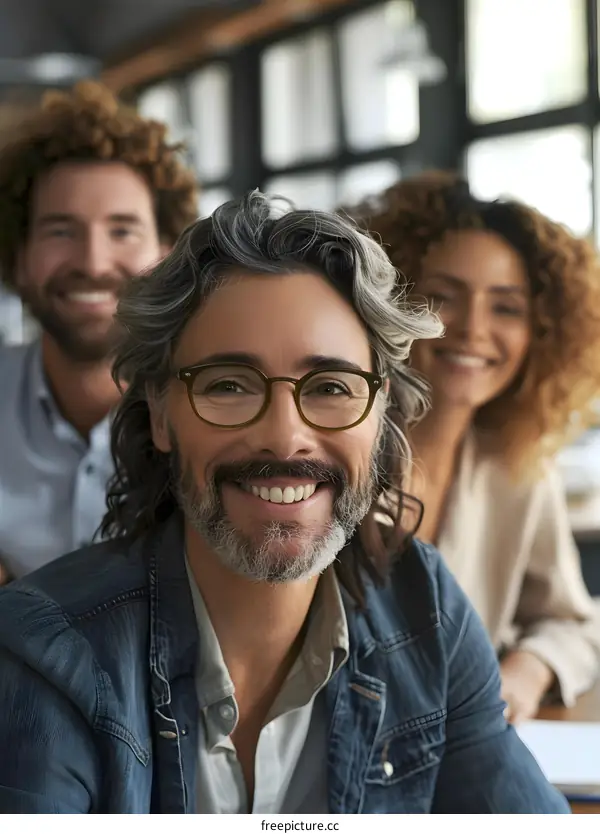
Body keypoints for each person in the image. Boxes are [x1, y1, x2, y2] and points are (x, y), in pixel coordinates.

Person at [0, 192, 568, 813]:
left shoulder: (425, 610)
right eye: (228, 386)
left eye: (330, 387)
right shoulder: (46, 654)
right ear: (161, 414)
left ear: (380, 415)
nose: (283, 434)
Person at [352, 171, 600, 724]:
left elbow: (575, 621)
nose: (472, 330)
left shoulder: (516, 467)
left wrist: (527, 671)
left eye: (506, 307)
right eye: (442, 297)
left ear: (541, 332)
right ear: (389, 304)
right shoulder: (333, 455)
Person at [0, 80, 198, 581]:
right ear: (18, 257)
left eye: (122, 230)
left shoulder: (216, 412)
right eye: (60, 230)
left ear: (167, 255)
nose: (92, 262)